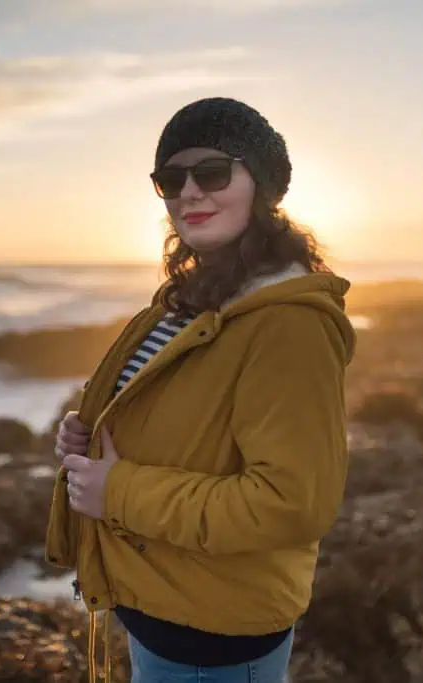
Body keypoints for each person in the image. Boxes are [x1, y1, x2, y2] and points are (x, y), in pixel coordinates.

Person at [45, 96, 355, 683]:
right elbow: (184, 421)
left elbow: (290, 505)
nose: (189, 191)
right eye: (171, 178)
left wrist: (118, 490)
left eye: (212, 173)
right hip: (164, 607)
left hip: (212, 638)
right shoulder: (190, 298)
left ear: (259, 185)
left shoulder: (288, 323)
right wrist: (89, 434)